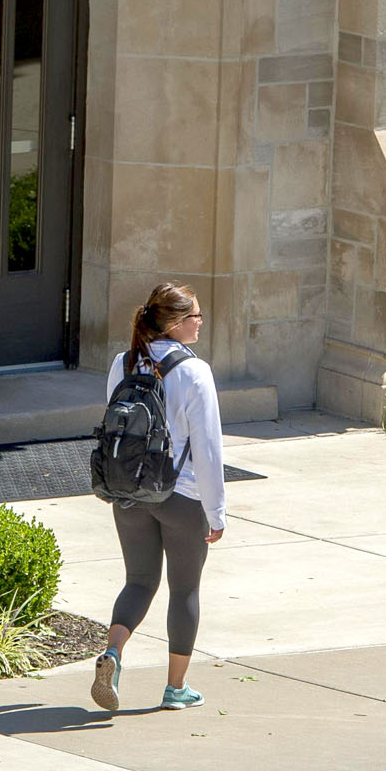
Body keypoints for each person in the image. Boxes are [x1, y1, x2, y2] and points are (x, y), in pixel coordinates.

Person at [89, 283, 226, 713]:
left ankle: (112, 654)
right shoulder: (194, 371)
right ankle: (176, 688)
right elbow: (208, 448)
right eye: (195, 317)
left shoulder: (123, 362)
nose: (201, 322)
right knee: (184, 590)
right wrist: (216, 511)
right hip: (180, 497)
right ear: (173, 323)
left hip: (129, 492)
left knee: (138, 581)